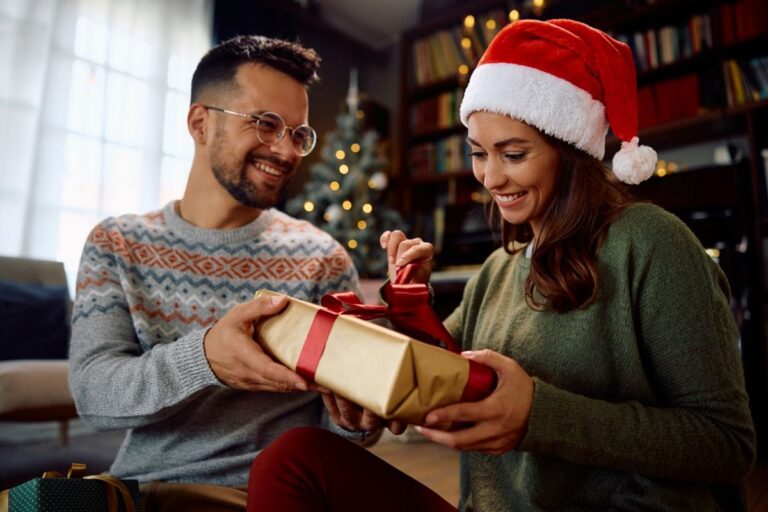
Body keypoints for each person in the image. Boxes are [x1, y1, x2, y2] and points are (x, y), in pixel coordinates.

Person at [246, 19, 757, 511]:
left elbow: (726, 442)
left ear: (570, 152)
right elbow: (430, 382)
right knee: (294, 460)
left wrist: (538, 414)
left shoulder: (650, 243)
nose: (490, 177)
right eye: (478, 153)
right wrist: (402, 325)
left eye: (513, 155)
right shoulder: (496, 270)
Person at [68, 35, 367, 511]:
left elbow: (344, 436)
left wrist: (359, 415)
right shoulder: (116, 243)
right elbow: (94, 394)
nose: (286, 151)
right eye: (266, 124)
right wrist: (204, 359)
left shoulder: (322, 259)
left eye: (297, 134)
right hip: (138, 493)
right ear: (200, 123)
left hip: (271, 497)